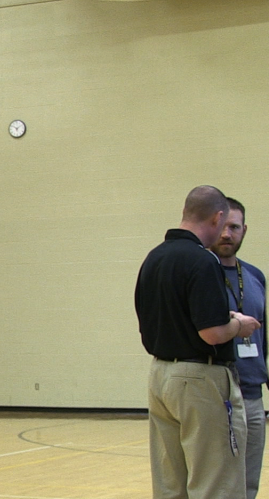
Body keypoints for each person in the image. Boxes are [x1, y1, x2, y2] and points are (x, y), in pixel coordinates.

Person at [135, 185, 261, 499]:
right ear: (217, 217)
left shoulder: (154, 258)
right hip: (200, 380)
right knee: (215, 480)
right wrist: (238, 324)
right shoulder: (203, 262)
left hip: (160, 375)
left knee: (170, 481)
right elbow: (213, 333)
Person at [211, 197, 269, 499]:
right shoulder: (203, 274)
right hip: (220, 394)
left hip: (253, 394)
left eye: (234, 227)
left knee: (249, 481)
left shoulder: (256, 276)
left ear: (244, 230)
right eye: (222, 226)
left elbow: (263, 333)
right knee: (221, 481)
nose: (227, 234)